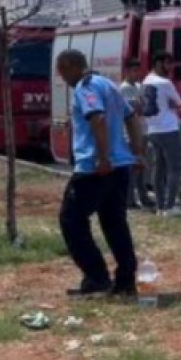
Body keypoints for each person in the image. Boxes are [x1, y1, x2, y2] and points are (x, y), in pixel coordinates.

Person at [55, 49, 144, 299]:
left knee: (71, 220)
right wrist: (137, 153)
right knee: (115, 223)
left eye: (62, 72)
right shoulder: (108, 84)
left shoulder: (86, 88)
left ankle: (97, 277)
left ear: (73, 67)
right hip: (120, 167)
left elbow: (98, 120)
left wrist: (103, 157)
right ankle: (125, 282)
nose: (62, 78)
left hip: (95, 167)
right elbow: (131, 117)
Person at [142, 51, 181, 217]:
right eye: (166, 63)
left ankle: (160, 207)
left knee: (159, 168)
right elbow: (179, 102)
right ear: (157, 63)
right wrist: (173, 104)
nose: (169, 67)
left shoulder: (146, 80)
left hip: (152, 129)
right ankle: (170, 207)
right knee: (175, 167)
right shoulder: (165, 83)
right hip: (168, 129)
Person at [119, 59, 153, 211]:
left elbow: (147, 105)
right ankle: (129, 199)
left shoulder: (138, 86)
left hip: (143, 130)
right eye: (133, 71)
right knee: (133, 167)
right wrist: (143, 105)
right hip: (131, 135)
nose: (136, 74)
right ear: (127, 72)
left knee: (142, 168)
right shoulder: (124, 88)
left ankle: (144, 197)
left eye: (138, 71)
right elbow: (136, 108)